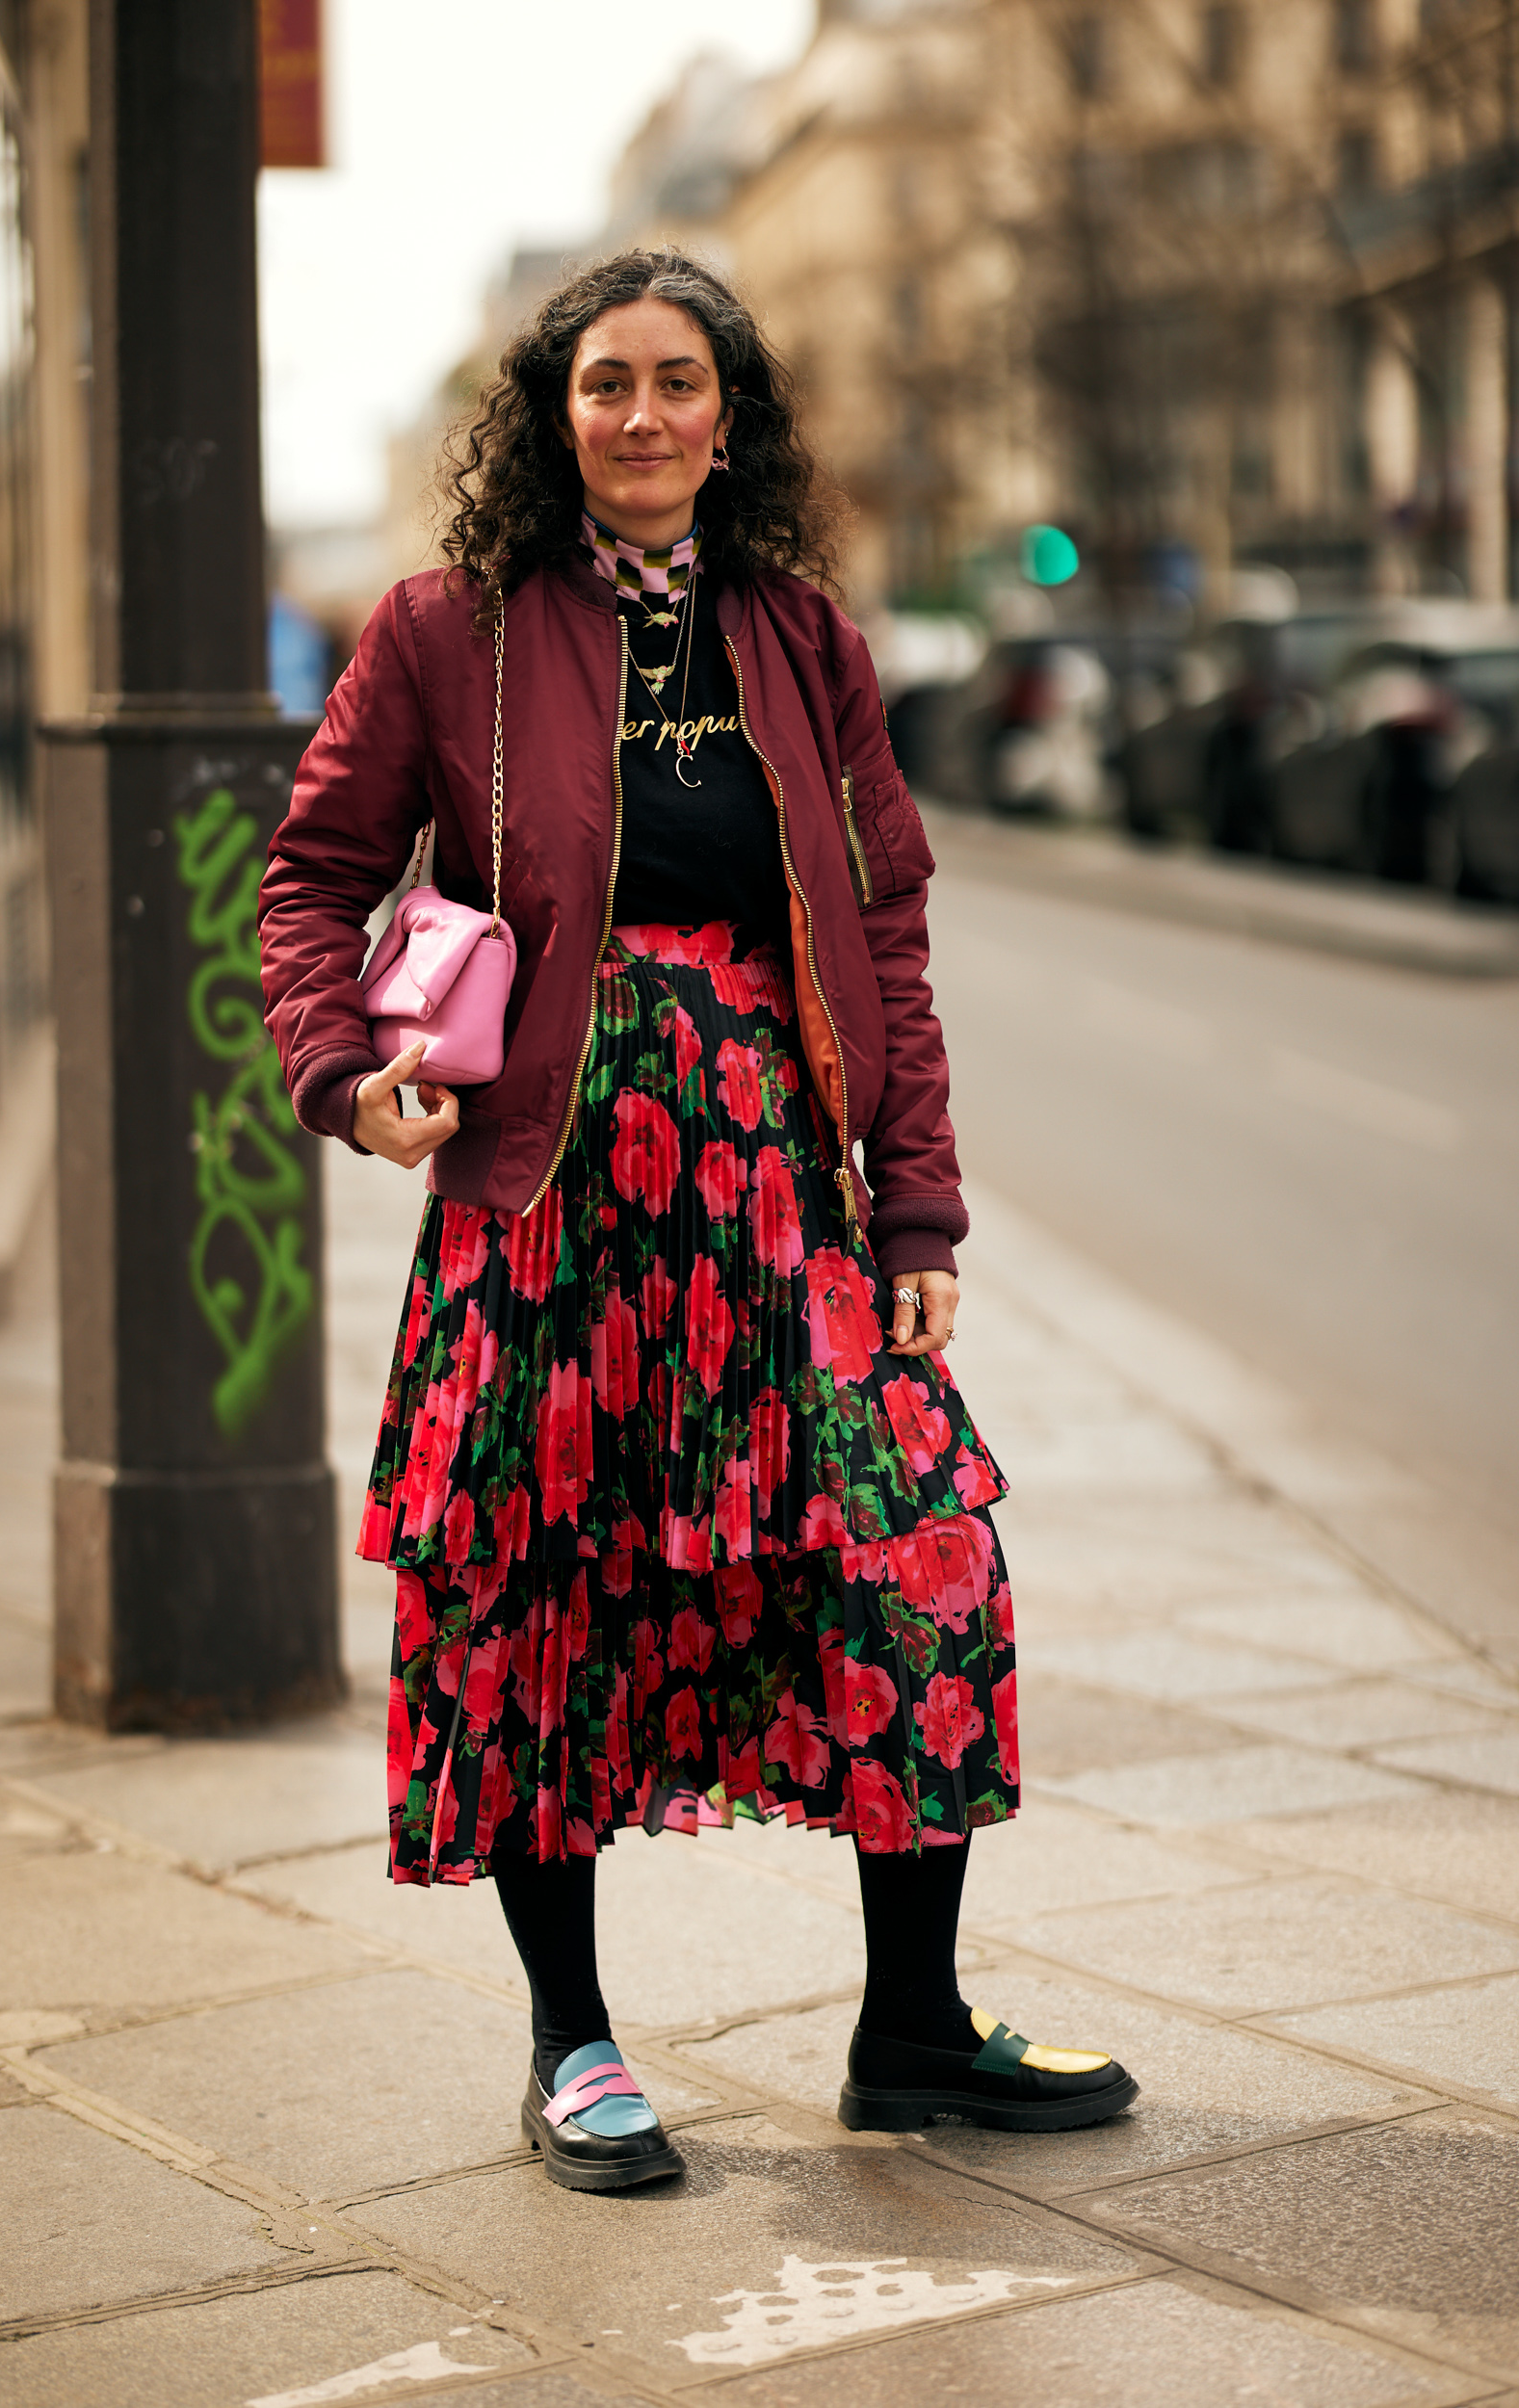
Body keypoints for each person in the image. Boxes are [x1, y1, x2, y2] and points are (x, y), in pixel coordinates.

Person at [258, 248, 1136, 2193]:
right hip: (544, 1201)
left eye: (678, 381)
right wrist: (346, 1071)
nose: (641, 417)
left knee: (921, 1568)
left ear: (728, 413)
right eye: (603, 385)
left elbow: (881, 935)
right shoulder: (444, 631)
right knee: (533, 1605)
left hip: (773, 1198)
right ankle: (573, 2043)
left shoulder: (805, 639)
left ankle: (911, 2023)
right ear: (550, 415)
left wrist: (916, 1212)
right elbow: (313, 877)